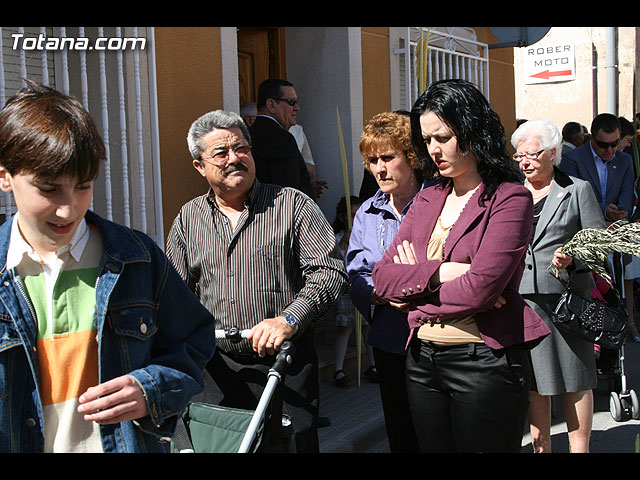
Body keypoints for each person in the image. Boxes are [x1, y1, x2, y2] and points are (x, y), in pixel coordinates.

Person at [0, 81, 216, 453]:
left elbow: (194, 342)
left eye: (83, 186)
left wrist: (151, 389)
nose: (69, 209)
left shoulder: (137, 258)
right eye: (49, 189)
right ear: (5, 176)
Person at [371, 79, 550, 453]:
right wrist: (442, 271)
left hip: (482, 361)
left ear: (471, 130)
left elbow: (481, 288)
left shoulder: (509, 197)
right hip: (421, 357)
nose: (434, 149)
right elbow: (383, 278)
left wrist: (413, 291)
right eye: (427, 140)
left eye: (443, 137)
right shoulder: (429, 196)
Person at [166, 109, 347, 453]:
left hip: (285, 366)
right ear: (199, 166)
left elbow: (330, 272)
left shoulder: (292, 205)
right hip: (217, 372)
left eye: (241, 148)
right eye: (220, 153)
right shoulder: (188, 219)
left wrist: (288, 319)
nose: (234, 158)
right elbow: (173, 295)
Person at [511, 119, 606, 453]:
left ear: (552, 153)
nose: (524, 161)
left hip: (568, 299)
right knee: (536, 381)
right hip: (523, 299)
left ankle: (579, 449)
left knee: (576, 379)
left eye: (532, 154)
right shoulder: (511, 193)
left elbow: (599, 246)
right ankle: (542, 448)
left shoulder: (577, 189)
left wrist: (575, 258)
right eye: (518, 156)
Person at [347, 111, 431, 452]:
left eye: (388, 157)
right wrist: (379, 295)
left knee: (437, 431)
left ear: (411, 157)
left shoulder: (438, 202)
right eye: (372, 160)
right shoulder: (367, 211)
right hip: (389, 339)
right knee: (400, 429)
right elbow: (355, 272)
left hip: (436, 337)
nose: (379, 169)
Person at [331, 195, 376, 386]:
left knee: (368, 327)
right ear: (343, 217)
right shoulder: (338, 238)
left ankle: (373, 366)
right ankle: (338, 369)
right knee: (345, 328)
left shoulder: (367, 236)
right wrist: (345, 243)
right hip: (347, 290)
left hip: (363, 287)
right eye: (351, 215)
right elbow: (336, 257)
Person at [559, 113, 634, 223]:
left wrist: (620, 215)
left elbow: (627, 196)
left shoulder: (625, 160)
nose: (609, 150)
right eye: (603, 145)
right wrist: (604, 211)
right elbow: (572, 198)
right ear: (591, 138)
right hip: (583, 228)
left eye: (614, 144)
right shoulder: (572, 159)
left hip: (616, 229)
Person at [248, 78, 315, 198]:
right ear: (271, 105)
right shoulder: (282, 139)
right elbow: (288, 193)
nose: (297, 108)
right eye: (291, 102)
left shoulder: (246, 135)